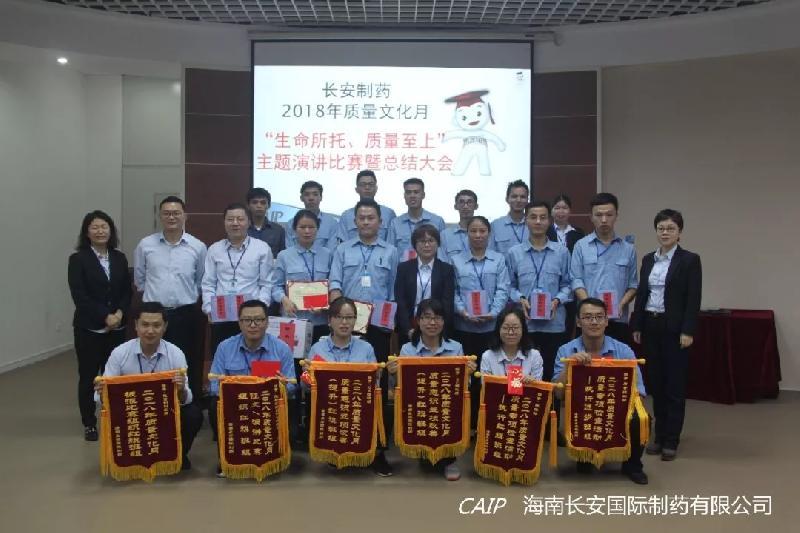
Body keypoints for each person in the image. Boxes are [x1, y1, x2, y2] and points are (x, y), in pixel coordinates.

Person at [328, 198, 398, 476]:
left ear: (380, 222)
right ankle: (344, 443)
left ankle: (378, 449)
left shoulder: (391, 251)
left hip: (378, 326)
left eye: (371, 218)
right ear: (354, 221)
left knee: (376, 387)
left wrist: (390, 321)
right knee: (346, 385)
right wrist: (339, 314)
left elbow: (393, 290)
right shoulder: (342, 250)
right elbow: (335, 284)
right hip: (347, 325)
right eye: (362, 218)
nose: (366, 222)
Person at [553, 298, 649, 485]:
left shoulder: (623, 351)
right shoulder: (565, 350)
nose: (594, 322)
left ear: (606, 321)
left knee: (641, 418)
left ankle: (633, 465)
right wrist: (569, 367)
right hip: (583, 409)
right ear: (578, 322)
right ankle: (586, 455)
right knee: (584, 468)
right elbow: (558, 394)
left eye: (599, 317)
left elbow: (639, 391)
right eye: (588, 317)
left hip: (616, 406)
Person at [98, 302, 203, 470]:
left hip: (165, 412)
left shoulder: (175, 353)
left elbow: (186, 399)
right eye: (145, 325)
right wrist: (103, 392)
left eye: (156, 325)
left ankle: (178, 455)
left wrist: (181, 389)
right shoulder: (120, 353)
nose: (150, 331)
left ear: (165, 327)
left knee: (193, 415)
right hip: (131, 413)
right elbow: (102, 397)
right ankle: (129, 456)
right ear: (136, 326)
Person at [632, 209, 702, 461]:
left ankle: (671, 439)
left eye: (670, 228)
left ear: (679, 232)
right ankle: (659, 436)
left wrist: (688, 330)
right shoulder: (649, 259)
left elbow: (693, 298)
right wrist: (637, 325)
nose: (665, 233)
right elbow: (642, 293)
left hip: (674, 330)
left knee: (674, 385)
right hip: (651, 326)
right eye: (661, 228)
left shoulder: (689, 260)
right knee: (656, 384)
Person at [208, 300, 297, 476]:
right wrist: (231, 389)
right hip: (236, 405)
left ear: (267, 322)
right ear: (239, 323)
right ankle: (227, 459)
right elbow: (213, 385)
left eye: (258, 320)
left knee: (291, 418)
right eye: (247, 320)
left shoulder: (282, 348)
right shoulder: (225, 347)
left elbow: (293, 386)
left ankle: (273, 457)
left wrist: (282, 385)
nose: (253, 325)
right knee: (213, 406)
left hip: (268, 406)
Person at [305, 298, 391, 476]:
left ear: (355, 320)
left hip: (358, 405)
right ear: (329, 320)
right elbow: (307, 387)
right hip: (330, 407)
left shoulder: (366, 348)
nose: (344, 322)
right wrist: (307, 377)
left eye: (349, 317)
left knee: (380, 404)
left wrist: (377, 375)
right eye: (339, 317)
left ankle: (375, 453)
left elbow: (374, 384)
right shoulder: (317, 349)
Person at [133, 196, 207, 401]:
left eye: (176, 213)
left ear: (185, 216)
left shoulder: (197, 246)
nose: (171, 217)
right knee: (154, 360)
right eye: (166, 213)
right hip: (154, 314)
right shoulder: (145, 245)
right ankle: (157, 403)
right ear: (160, 216)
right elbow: (140, 279)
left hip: (186, 313)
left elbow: (201, 279)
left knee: (189, 359)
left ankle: (190, 404)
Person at [68, 210, 132, 441]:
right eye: (95, 227)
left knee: (112, 374)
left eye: (104, 227)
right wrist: (105, 316)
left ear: (111, 231)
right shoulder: (78, 259)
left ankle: (113, 415)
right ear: (87, 232)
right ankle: (89, 423)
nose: (100, 231)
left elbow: (126, 290)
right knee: (88, 376)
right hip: (89, 329)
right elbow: (80, 295)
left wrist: (120, 313)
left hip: (117, 327)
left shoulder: (119, 257)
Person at [391, 299, 470, 481]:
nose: (432, 323)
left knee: (456, 405)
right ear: (418, 321)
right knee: (427, 462)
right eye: (427, 317)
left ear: (444, 321)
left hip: (446, 403)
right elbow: (403, 387)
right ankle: (424, 451)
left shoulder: (456, 347)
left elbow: (462, 385)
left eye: (437, 318)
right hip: (419, 402)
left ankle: (450, 460)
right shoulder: (407, 349)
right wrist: (394, 373)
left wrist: (468, 373)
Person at [452, 215, 509, 428]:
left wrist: (494, 313)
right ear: (466, 234)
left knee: (491, 374)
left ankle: (490, 421)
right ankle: (469, 422)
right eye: (473, 231)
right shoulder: (456, 261)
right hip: (464, 327)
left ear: (489, 234)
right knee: (467, 376)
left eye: (482, 231)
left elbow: (503, 288)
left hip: (491, 328)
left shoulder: (499, 260)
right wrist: (463, 312)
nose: (478, 235)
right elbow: (453, 291)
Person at [507, 201, 571, 381]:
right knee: (520, 372)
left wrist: (557, 300)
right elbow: (509, 285)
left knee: (552, 372)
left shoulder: (562, 252)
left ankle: (552, 401)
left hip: (554, 324)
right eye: (533, 217)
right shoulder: (514, 253)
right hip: (524, 324)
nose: (538, 221)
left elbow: (568, 284)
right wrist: (520, 298)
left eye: (543, 217)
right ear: (526, 220)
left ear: (549, 221)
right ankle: (518, 401)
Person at [202, 203, 274, 360]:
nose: (235, 223)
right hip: (221, 316)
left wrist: (260, 310)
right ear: (224, 222)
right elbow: (208, 283)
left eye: (240, 219)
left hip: (251, 317)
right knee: (222, 359)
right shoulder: (214, 249)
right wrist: (209, 308)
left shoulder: (262, 248)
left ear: (248, 222)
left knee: (254, 359)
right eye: (230, 219)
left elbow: (266, 284)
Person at [570, 192, 637, 345]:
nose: (604, 219)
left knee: (618, 359)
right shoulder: (581, 246)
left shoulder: (628, 249)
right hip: (589, 320)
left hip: (618, 319)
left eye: (609, 214)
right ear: (591, 217)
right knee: (587, 359)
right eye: (599, 215)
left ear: (616, 216)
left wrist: (621, 304)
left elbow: (633, 285)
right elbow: (576, 280)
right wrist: (591, 307)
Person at [271, 209, 333, 343]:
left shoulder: (328, 255)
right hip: (293, 319)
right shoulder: (284, 256)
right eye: (302, 227)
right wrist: (284, 299)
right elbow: (275, 286)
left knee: (318, 355)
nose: (307, 231)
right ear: (294, 230)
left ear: (317, 229)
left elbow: (332, 285)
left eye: (311, 227)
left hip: (320, 320)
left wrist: (326, 303)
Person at [394, 225, 455, 345]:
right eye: (422, 241)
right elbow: (400, 300)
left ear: (438, 244)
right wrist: (408, 329)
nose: (427, 245)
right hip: (410, 325)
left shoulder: (446, 269)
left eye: (431, 241)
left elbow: (447, 303)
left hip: (435, 326)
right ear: (415, 245)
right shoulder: (404, 268)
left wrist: (439, 329)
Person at [547, 193, 585, 338]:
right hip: (551, 283)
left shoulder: (578, 234)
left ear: (570, 211)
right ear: (551, 211)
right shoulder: (545, 232)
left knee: (569, 325)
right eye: (557, 208)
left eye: (564, 208)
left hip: (572, 285)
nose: (561, 211)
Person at [386, 178, 446, 261]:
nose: (412, 196)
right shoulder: (395, 223)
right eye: (408, 192)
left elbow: (443, 251)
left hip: (430, 268)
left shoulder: (437, 221)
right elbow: (390, 253)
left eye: (416, 192)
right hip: (403, 268)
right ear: (404, 196)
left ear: (423, 195)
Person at [479, 307, 544, 381]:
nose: (510, 332)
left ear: (523, 329)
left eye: (515, 327)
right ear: (498, 330)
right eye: (506, 328)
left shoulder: (534, 356)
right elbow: (486, 386)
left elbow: (539, 385)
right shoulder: (488, 356)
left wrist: (533, 383)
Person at [337, 170, 396, 243]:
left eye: (371, 184)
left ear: (376, 188)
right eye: (363, 184)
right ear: (356, 189)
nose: (367, 187)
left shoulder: (388, 214)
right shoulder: (346, 216)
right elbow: (343, 245)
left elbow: (392, 242)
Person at [284, 180, 339, 251]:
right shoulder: (291, 224)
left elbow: (332, 250)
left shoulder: (331, 223)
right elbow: (290, 251)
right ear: (301, 198)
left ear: (321, 197)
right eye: (307, 195)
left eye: (315, 194)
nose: (311, 198)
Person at [490, 180, 529, 254]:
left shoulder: (533, 224)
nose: (518, 200)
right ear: (507, 199)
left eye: (523, 197)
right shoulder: (495, 225)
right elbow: (491, 253)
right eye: (514, 196)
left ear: (527, 200)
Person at [246, 187, 286, 256]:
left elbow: (283, 256)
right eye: (255, 202)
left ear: (269, 205)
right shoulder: (242, 228)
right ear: (248, 206)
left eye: (263, 203)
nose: (259, 206)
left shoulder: (278, 230)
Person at [441, 189, 478, 262]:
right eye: (461, 202)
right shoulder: (445, 235)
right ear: (455, 206)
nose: (465, 206)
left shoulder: (484, 234)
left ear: (476, 206)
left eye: (469, 202)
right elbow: (442, 261)